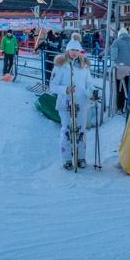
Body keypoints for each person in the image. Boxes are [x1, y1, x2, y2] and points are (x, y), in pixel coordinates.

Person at [50, 38, 94, 170]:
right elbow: (53, 86)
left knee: (81, 131)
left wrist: (90, 93)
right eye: (72, 50)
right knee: (67, 131)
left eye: (77, 50)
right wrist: (66, 90)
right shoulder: (60, 66)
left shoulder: (84, 66)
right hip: (65, 103)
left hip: (81, 103)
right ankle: (67, 158)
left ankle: (81, 157)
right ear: (68, 50)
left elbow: (88, 83)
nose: (74, 53)